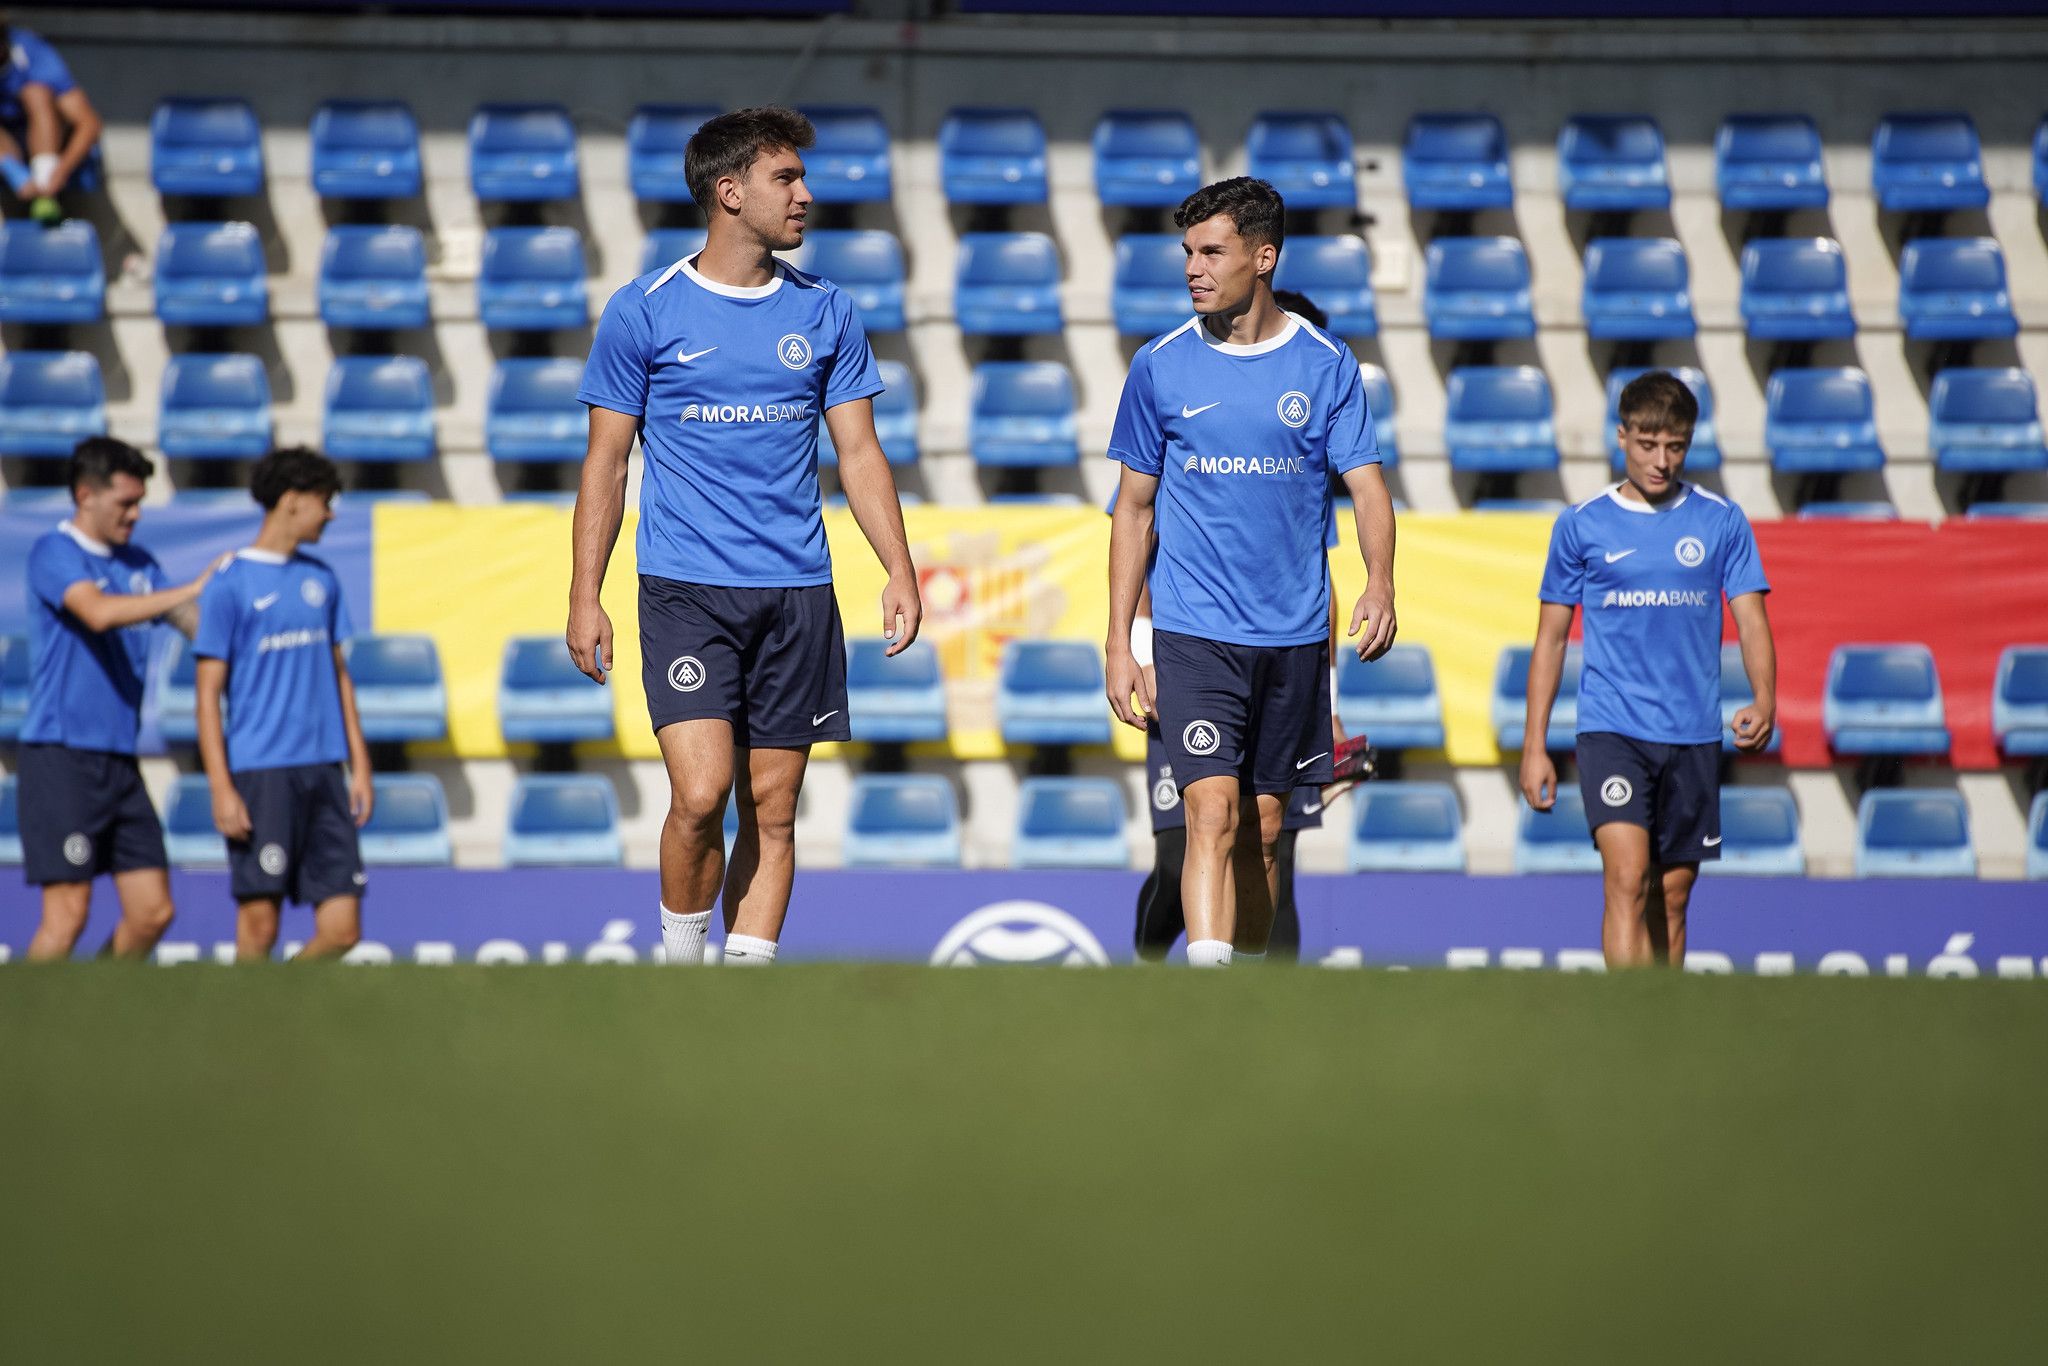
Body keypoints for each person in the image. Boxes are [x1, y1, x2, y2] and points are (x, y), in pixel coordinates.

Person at [570, 106, 921, 968]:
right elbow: (606, 464)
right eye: (786, 179)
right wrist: (586, 594)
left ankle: (745, 987)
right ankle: (682, 969)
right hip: (686, 590)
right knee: (700, 793)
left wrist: (899, 570)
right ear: (729, 193)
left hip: (798, 591)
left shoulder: (829, 310)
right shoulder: (642, 311)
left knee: (773, 805)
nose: (806, 195)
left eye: (801, 177)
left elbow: (860, 453)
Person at [1106, 177, 1398, 968]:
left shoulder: (1327, 364)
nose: (1193, 268)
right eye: (1188, 253)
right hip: (1194, 635)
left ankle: (1248, 998)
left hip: (1294, 639)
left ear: (1263, 257)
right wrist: (1118, 644)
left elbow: (1368, 486)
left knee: (1266, 832)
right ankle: (1207, 992)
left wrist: (1379, 581)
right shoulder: (1159, 366)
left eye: (1213, 251)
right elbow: (1132, 511)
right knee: (1211, 816)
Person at [1519, 371, 1775, 969]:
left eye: (1676, 446)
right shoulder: (1582, 525)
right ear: (1621, 437)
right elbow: (1551, 640)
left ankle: (1662, 1027)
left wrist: (1765, 698)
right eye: (1647, 444)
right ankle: (1624, 1026)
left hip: (1691, 733)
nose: (1661, 461)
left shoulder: (1721, 522)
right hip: (1613, 731)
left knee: (1673, 896)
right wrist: (1536, 746)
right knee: (1629, 879)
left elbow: (1753, 622)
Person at [1130, 288, 1351, 964]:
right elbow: (1138, 544)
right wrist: (1137, 653)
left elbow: (1322, 581)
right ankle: (1147, 965)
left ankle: (1246, 987)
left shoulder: (1301, 466)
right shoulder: (1190, 421)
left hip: (1282, 658)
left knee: (1263, 835)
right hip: (1196, 653)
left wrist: (1331, 701)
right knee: (1193, 837)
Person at [18, 438, 219, 960]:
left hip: (119, 762)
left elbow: (191, 624)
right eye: (124, 503)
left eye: (139, 503)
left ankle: (93, 1012)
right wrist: (190, 587)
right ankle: (18, 1031)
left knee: (152, 912)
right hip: (62, 755)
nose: (135, 515)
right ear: (86, 495)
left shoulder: (139, 562)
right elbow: (99, 612)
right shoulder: (54, 552)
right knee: (66, 917)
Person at [193, 447, 372, 962]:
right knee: (259, 926)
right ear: (292, 502)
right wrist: (221, 787)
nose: (331, 513)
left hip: (323, 772)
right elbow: (207, 693)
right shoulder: (230, 583)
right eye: (324, 501)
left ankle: (277, 1007)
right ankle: (246, 1032)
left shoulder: (322, 579)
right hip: (260, 774)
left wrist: (359, 765)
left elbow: (340, 676)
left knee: (342, 930)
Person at [0, 16, 103, 222]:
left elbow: (89, 123)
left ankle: (43, 176)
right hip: (9, 160)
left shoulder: (31, 50)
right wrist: (14, 174)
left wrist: (60, 172)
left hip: (53, 160)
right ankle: (19, 176)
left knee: (36, 93)